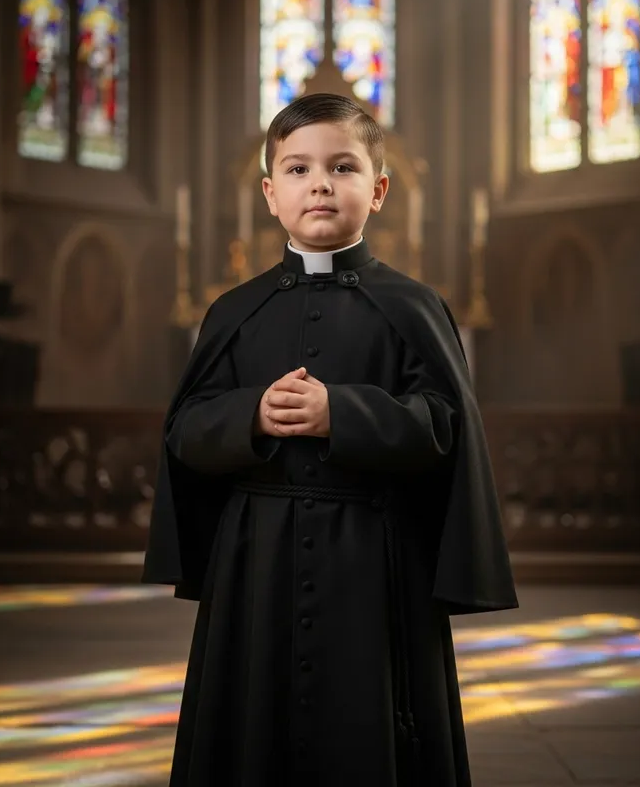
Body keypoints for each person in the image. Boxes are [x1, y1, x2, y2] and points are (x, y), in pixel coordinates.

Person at [142, 92, 518, 787]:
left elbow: (445, 426)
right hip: (256, 562)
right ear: (269, 194)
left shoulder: (415, 307)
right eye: (298, 169)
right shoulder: (232, 311)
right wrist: (252, 414)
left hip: (374, 561)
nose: (320, 184)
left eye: (342, 167)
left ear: (378, 191)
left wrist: (340, 412)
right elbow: (186, 430)